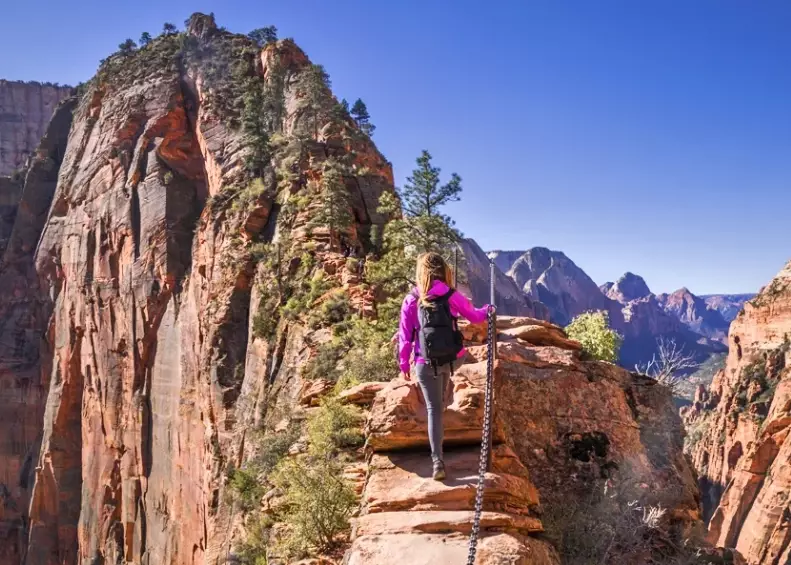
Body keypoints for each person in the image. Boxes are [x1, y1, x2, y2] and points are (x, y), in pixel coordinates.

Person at [397, 252, 491, 480]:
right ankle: (447, 393)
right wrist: (489, 309)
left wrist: (403, 363)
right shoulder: (450, 295)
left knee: (433, 409)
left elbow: (405, 336)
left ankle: (437, 462)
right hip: (452, 359)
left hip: (424, 362)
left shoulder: (412, 299)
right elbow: (475, 317)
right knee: (444, 389)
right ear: (444, 271)